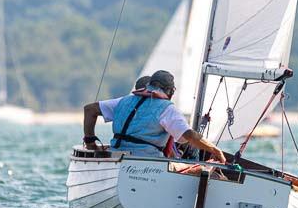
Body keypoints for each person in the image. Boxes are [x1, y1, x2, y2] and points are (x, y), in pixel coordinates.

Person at [82, 69, 225, 163]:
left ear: (149, 85)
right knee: (193, 168)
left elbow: (89, 109)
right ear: (170, 91)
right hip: (147, 163)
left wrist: (90, 143)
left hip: (116, 158)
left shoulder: (124, 101)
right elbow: (189, 135)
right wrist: (215, 150)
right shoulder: (167, 108)